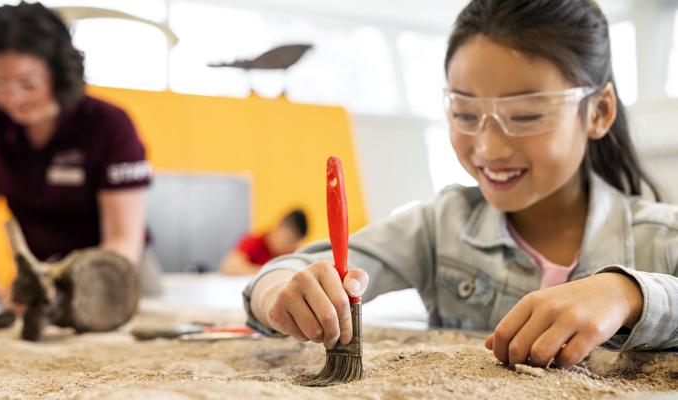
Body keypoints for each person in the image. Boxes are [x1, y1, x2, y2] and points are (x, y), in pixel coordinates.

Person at [242, 0, 678, 369]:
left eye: (525, 115)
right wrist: (282, 293)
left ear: (599, 112)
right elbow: (285, 272)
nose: (488, 147)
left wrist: (627, 293)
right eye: (465, 114)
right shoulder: (440, 226)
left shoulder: (659, 239)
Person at [0, 2, 160, 318]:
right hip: (37, 273)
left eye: (28, 83)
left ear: (57, 71)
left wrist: (65, 289)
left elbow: (122, 238)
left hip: (115, 271)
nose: (13, 98)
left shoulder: (109, 124)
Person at [220, 209, 308, 275]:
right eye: (287, 239)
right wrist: (267, 273)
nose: (288, 246)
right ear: (279, 227)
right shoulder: (254, 241)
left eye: (293, 242)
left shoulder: (291, 253)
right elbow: (229, 266)